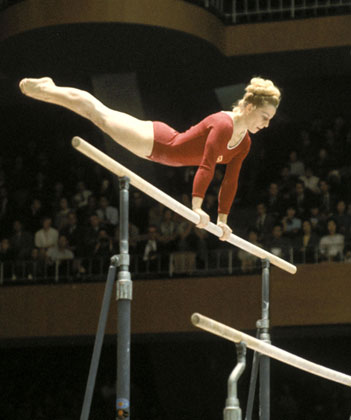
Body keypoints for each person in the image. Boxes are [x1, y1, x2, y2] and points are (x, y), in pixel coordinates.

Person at [19, 76, 281, 240]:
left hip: (162, 149)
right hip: (157, 141)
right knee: (99, 115)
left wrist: (223, 222)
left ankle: (51, 89)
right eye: (264, 117)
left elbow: (230, 182)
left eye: (270, 120)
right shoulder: (223, 123)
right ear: (248, 107)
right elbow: (207, 164)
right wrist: (198, 208)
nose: (266, 125)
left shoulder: (244, 142)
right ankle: (50, 89)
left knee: (100, 115)